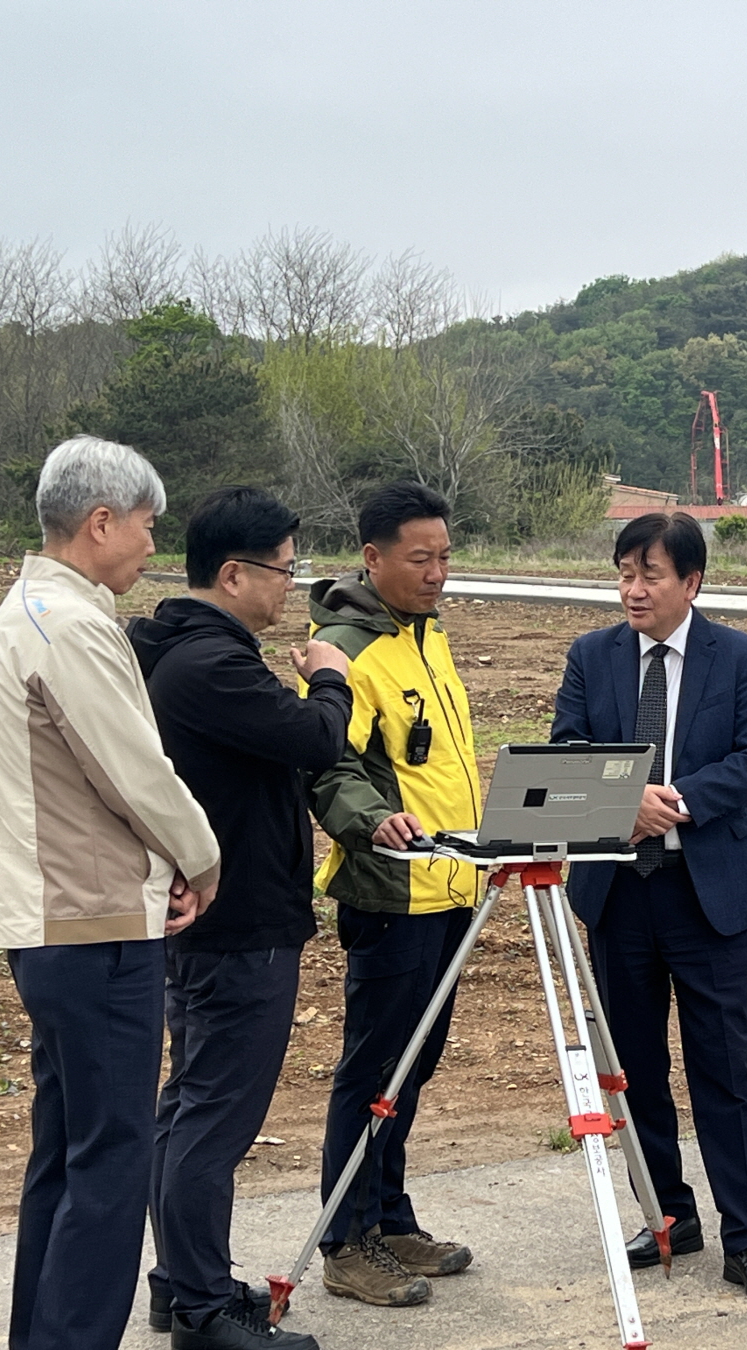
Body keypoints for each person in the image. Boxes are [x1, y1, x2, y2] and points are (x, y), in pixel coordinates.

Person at [0, 435, 220, 1350]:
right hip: (96, 923)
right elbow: (137, 772)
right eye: (148, 527)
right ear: (101, 522)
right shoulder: (69, 625)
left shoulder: (25, 610)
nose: (153, 547)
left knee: (68, 1157)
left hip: (53, 921)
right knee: (112, 1165)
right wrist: (202, 859)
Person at [128, 487, 356, 1350]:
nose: (289, 591)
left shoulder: (172, 650)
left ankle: (181, 1282)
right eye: (284, 574)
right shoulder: (210, 666)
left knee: (189, 1104)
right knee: (213, 1118)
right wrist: (329, 678)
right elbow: (313, 739)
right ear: (233, 573)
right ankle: (201, 1308)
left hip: (210, 919)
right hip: (242, 922)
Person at [549, 511, 747, 1302]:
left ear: (691, 582)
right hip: (619, 896)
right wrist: (624, 803)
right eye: (624, 573)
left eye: (651, 575)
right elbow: (565, 754)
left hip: (709, 898)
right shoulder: (592, 656)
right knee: (636, 1071)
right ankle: (666, 1216)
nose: (634, 590)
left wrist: (677, 799)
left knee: (725, 1069)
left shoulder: (740, 657)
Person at [304, 482, 480, 1309]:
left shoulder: (426, 634)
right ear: (373, 559)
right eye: (421, 559)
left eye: (444, 556)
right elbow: (328, 765)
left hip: (454, 884)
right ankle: (344, 1242)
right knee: (373, 1069)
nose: (438, 572)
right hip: (391, 890)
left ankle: (390, 1216)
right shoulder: (348, 648)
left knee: (413, 1069)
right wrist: (371, 822)